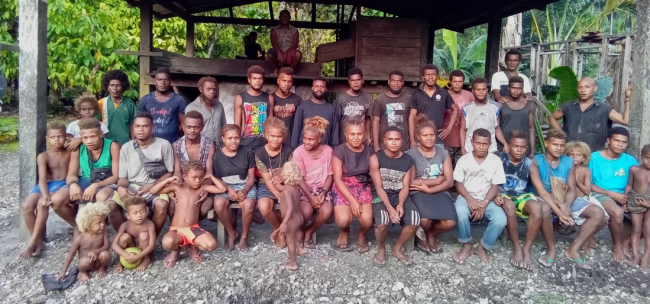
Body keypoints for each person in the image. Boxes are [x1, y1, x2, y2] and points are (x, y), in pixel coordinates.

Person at [530, 129, 607, 269]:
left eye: (561, 145)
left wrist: (566, 205)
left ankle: (574, 249)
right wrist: (560, 211)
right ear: (546, 143)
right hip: (542, 198)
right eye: (555, 144)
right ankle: (551, 248)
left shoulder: (568, 162)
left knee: (598, 212)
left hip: (564, 198)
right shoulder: (535, 160)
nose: (559, 148)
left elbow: (571, 188)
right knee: (545, 208)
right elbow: (540, 192)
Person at [496, 131, 555, 270]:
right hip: (502, 194)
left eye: (523, 147)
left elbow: (540, 189)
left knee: (537, 207)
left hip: (521, 195)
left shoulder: (529, 164)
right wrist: (496, 195)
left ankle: (526, 249)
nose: (519, 149)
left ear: (527, 148)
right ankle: (516, 247)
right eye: (516, 146)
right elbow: (490, 181)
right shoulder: (499, 159)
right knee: (509, 206)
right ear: (509, 146)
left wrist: (559, 209)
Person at [150, 162, 226, 269]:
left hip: (193, 229)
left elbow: (222, 189)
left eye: (200, 177)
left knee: (211, 245)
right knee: (167, 243)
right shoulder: (177, 188)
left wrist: (211, 177)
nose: (198, 180)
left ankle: (193, 247)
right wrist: (167, 180)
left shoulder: (202, 188)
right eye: (194, 177)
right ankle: (176, 251)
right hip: (177, 230)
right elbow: (153, 190)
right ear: (185, 176)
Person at [112, 112, 175, 236]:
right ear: (133, 128)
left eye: (145, 126)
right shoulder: (126, 147)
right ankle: (128, 238)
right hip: (132, 186)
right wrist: (121, 188)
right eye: (137, 126)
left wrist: (151, 187)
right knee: (111, 206)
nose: (141, 130)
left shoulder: (163, 145)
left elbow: (170, 172)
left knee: (161, 205)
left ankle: (150, 242)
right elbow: (123, 177)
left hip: (157, 187)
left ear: (152, 128)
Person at [54, 118, 120, 233]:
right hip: (85, 180)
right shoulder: (78, 148)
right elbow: (71, 174)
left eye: (93, 137)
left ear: (100, 134)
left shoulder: (112, 146)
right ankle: (78, 227)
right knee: (56, 200)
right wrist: (73, 184)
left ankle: (99, 228)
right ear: (81, 137)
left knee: (102, 197)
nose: (89, 141)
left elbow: (116, 176)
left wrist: (95, 185)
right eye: (85, 138)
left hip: (107, 182)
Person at [453, 128, 507, 265]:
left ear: (490, 143)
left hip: (487, 198)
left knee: (500, 219)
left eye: (485, 144)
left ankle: (483, 247)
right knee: (460, 212)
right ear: (472, 142)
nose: (481, 147)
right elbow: (458, 183)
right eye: (478, 143)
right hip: (466, 197)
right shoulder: (464, 160)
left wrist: (484, 203)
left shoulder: (495, 161)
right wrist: (470, 199)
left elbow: (495, 185)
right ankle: (466, 243)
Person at [18, 123, 71, 260]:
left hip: (62, 183)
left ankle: (32, 243)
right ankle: (39, 241)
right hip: (46, 184)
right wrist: (46, 194)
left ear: (66, 137)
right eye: (53, 137)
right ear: (47, 138)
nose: (56, 140)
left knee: (42, 204)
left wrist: (48, 197)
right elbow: (41, 179)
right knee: (27, 206)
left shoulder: (70, 152)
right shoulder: (44, 156)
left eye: (60, 136)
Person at [407, 115, 457, 254]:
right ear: (418, 137)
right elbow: (412, 182)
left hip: (440, 191)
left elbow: (449, 181)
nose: (429, 138)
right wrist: (437, 180)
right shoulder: (411, 154)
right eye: (425, 135)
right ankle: (421, 236)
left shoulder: (443, 152)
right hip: (418, 191)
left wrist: (431, 189)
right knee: (424, 220)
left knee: (450, 222)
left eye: (432, 135)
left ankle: (431, 234)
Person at [369, 127, 419, 266]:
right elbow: (378, 187)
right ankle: (381, 248)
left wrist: (401, 204)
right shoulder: (376, 158)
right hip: (379, 195)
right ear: (384, 141)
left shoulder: (408, 160)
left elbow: (405, 186)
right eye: (390, 139)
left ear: (401, 141)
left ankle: (397, 248)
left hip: (399, 194)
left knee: (414, 221)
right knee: (382, 223)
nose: (394, 142)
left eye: (397, 139)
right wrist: (390, 209)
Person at [589, 127, 638, 263]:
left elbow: (637, 182)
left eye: (624, 142)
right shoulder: (594, 158)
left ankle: (625, 242)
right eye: (617, 141)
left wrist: (629, 199)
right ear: (608, 141)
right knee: (617, 213)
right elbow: (587, 184)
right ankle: (617, 245)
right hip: (600, 193)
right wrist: (609, 193)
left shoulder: (630, 160)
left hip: (625, 196)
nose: (620, 145)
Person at [549, 77, 630, 152]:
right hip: (569, 153)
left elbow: (625, 120)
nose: (583, 90)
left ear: (595, 89)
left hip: (593, 156)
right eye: (580, 87)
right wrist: (561, 134)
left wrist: (627, 100)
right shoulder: (568, 106)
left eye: (587, 87)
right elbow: (552, 117)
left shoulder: (605, 109)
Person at [256, 118, 302, 248]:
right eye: (273, 136)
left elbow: (292, 170)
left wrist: (281, 177)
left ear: (284, 136)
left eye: (279, 136)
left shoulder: (289, 151)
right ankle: (278, 229)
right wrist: (277, 193)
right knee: (264, 207)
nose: (276, 139)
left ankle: (290, 229)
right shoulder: (260, 153)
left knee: (291, 204)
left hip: (287, 183)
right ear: (266, 135)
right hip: (267, 185)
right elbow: (266, 178)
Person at [212, 124, 258, 251]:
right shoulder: (217, 155)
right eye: (230, 138)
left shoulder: (247, 151)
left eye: (236, 138)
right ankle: (232, 233)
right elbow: (218, 178)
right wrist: (228, 189)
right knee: (219, 204)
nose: (233, 141)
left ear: (240, 138)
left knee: (248, 205)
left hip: (245, 185)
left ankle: (244, 237)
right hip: (225, 186)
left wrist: (245, 190)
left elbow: (251, 176)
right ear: (223, 139)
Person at [331, 121, 374, 252]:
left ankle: (362, 234)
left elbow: (373, 174)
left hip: (363, 186)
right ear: (346, 135)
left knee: (367, 220)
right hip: (343, 186)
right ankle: (345, 232)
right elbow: (337, 179)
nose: (356, 137)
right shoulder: (339, 151)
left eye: (359, 134)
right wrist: (353, 201)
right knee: (343, 220)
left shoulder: (370, 151)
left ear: (364, 135)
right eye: (352, 134)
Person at [292, 117, 334, 247]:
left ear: (319, 139)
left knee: (327, 212)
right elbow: (298, 178)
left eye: (311, 139)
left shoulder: (328, 151)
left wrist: (323, 193)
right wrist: (311, 197)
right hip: (304, 189)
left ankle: (310, 230)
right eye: (305, 138)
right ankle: (301, 230)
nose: (306, 142)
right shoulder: (298, 152)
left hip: (322, 189)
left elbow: (330, 175)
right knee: (306, 212)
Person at [565, 140, 608, 250]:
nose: (575, 157)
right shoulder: (564, 169)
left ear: (583, 158)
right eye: (571, 154)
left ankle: (587, 236)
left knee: (604, 218)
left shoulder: (585, 171)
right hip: (571, 199)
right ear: (566, 155)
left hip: (585, 197)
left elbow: (587, 191)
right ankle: (583, 240)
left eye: (578, 155)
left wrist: (576, 180)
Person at [172, 111, 215, 219]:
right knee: (172, 207)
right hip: (184, 185)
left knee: (204, 208)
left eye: (196, 127)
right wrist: (176, 187)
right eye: (189, 127)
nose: (192, 130)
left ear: (202, 127)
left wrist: (205, 189)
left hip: (202, 184)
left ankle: (191, 230)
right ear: (183, 127)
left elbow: (209, 171)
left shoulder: (209, 145)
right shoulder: (176, 146)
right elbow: (177, 171)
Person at [56, 203, 111, 283]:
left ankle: (102, 268)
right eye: (98, 223)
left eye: (103, 221)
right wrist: (63, 271)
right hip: (87, 263)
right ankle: (83, 272)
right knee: (84, 262)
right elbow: (71, 255)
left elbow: (107, 246)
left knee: (106, 254)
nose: (102, 225)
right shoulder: (80, 238)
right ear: (87, 225)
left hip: (99, 260)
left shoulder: (103, 232)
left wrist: (96, 252)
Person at [409, 64, 458, 147]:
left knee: (438, 160)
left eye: (433, 74)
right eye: (428, 74)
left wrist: (448, 129)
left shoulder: (443, 93)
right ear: (423, 77)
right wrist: (412, 140)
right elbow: (412, 117)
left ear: (437, 77)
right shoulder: (416, 94)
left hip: (438, 139)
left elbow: (455, 109)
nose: (430, 77)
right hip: (420, 139)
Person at [138, 67, 187, 144]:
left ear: (170, 82)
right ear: (155, 81)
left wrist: (172, 132)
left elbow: (183, 124)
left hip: (171, 144)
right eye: (159, 79)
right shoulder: (145, 100)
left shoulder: (178, 100)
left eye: (166, 80)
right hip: (150, 145)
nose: (163, 83)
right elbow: (140, 123)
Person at [272, 161, 307, 270]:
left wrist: (284, 223)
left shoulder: (287, 191)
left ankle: (293, 263)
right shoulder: (293, 187)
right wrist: (274, 181)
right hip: (299, 217)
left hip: (291, 219)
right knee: (293, 235)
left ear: (284, 174)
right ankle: (300, 249)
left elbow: (290, 208)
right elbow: (282, 189)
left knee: (290, 240)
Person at [460, 78, 505, 155]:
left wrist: (505, 143)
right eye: (478, 90)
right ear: (473, 91)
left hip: (490, 149)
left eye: (483, 89)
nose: (481, 92)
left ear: (487, 90)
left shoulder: (495, 107)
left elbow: (497, 128)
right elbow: (462, 130)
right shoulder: (466, 108)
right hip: (470, 149)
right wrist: (462, 149)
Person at [234, 65, 275, 151]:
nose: (257, 81)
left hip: (264, 144)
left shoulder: (269, 98)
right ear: (249, 80)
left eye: (260, 78)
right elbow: (237, 125)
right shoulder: (240, 98)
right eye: (254, 78)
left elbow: (271, 123)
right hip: (245, 144)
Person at [291, 77, 339, 148]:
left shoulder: (331, 109)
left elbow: (334, 132)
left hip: (324, 149)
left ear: (326, 89)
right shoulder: (302, 107)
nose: (319, 89)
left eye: (322, 87)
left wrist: (335, 150)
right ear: (312, 88)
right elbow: (296, 129)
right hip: (304, 148)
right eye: (316, 86)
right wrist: (293, 149)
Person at [111, 196, 156, 273]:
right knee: (124, 237)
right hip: (129, 250)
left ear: (147, 211)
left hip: (143, 251)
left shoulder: (149, 225)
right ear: (128, 215)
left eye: (142, 211)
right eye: (135, 213)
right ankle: (119, 262)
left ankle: (146, 260)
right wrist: (125, 255)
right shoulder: (125, 225)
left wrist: (137, 257)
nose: (139, 215)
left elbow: (151, 245)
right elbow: (114, 244)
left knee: (144, 235)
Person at [624, 144, 650, 268]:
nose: (649, 161)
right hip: (635, 201)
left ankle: (645, 257)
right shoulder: (634, 169)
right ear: (641, 156)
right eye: (647, 158)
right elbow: (629, 185)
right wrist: (625, 199)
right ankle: (635, 255)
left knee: (648, 230)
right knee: (636, 228)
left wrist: (647, 204)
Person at [442, 70, 474, 168]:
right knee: (446, 170)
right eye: (455, 81)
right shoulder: (443, 95)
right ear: (450, 82)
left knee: (461, 171)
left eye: (460, 82)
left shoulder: (469, 95)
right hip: (446, 140)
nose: (457, 84)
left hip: (464, 142)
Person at [497, 77, 536, 157]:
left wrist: (532, 150)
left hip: (522, 147)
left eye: (519, 88)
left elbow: (531, 128)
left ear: (522, 89)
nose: (516, 90)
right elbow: (496, 127)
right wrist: (504, 143)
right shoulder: (500, 104)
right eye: (513, 88)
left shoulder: (529, 104)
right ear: (508, 88)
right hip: (504, 145)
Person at [373, 70, 411, 152]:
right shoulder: (381, 99)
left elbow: (411, 121)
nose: (396, 83)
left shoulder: (408, 99)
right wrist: (376, 145)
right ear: (389, 82)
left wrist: (412, 141)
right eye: (393, 80)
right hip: (385, 146)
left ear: (402, 83)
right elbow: (376, 122)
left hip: (404, 146)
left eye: (399, 81)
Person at [98, 70, 138, 145]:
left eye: (118, 85)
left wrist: (133, 142)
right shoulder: (101, 103)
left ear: (122, 87)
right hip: (106, 143)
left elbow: (133, 125)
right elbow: (96, 124)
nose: (115, 88)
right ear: (108, 87)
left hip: (125, 143)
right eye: (112, 85)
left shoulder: (129, 103)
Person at [185, 76, 227, 146]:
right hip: (201, 148)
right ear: (201, 89)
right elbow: (188, 132)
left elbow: (224, 127)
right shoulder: (191, 108)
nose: (212, 92)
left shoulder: (219, 105)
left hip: (219, 148)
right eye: (209, 89)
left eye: (214, 89)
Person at [335, 67, 372, 145]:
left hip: (360, 138)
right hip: (344, 138)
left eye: (358, 80)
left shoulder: (367, 98)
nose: (355, 82)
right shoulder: (342, 98)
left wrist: (368, 136)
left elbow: (368, 118)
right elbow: (337, 121)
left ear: (362, 80)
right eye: (353, 80)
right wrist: (336, 139)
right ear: (349, 81)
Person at [272, 67, 302, 145]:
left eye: (289, 81)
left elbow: (300, 124)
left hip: (291, 143)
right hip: (274, 142)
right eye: (284, 81)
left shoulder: (297, 100)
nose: (286, 84)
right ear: (278, 81)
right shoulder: (270, 99)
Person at [268, 9, 302, 74]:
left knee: (298, 54)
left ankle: (289, 70)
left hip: (289, 53)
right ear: (279, 18)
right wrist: (279, 52)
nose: (284, 18)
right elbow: (274, 43)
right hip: (277, 52)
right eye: (283, 16)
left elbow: (295, 44)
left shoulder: (294, 30)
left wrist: (286, 53)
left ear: (289, 18)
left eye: (286, 16)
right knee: (270, 53)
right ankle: (276, 70)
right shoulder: (274, 30)